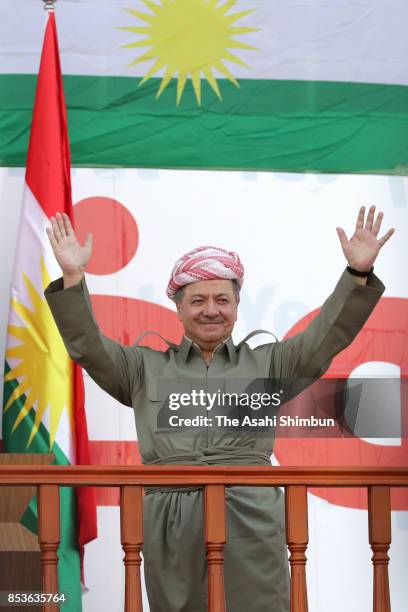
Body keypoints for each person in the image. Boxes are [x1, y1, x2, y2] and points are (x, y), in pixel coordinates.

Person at [45, 206, 393, 612]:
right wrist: (73, 278)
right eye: (197, 300)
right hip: (171, 518)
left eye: (221, 299)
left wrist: (357, 275)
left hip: (251, 515)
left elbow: (326, 337)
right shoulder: (142, 367)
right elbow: (89, 346)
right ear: (178, 308)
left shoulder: (269, 363)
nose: (210, 309)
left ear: (236, 306)